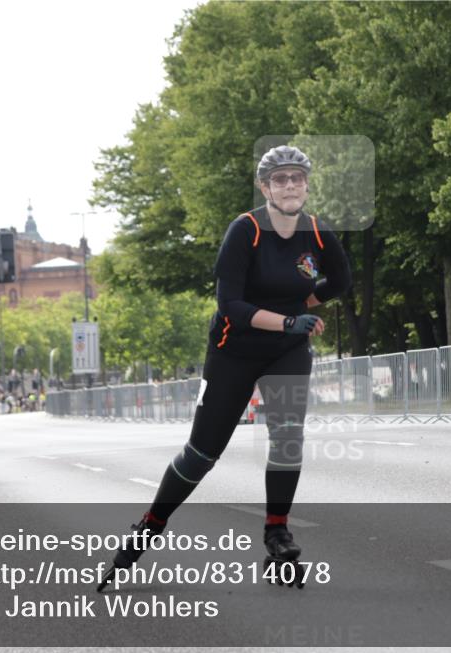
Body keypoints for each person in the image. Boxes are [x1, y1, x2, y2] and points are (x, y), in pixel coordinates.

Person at [99, 145, 351, 591]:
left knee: (288, 437)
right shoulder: (246, 230)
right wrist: (289, 319)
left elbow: (341, 281)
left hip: (286, 351)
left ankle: (277, 532)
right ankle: (149, 526)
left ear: (308, 184)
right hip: (234, 349)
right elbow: (230, 305)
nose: (289, 185)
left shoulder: (317, 230)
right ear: (265, 187)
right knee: (202, 454)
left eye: (296, 178)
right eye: (280, 179)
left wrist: (299, 309)